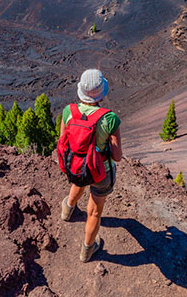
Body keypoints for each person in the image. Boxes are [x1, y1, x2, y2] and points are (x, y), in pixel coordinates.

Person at [59, 69, 122, 262]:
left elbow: (63, 140)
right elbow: (117, 156)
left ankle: (68, 211)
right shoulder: (110, 118)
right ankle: (87, 250)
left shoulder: (68, 111)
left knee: (80, 180)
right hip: (101, 171)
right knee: (94, 211)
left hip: (76, 165)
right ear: (102, 92)